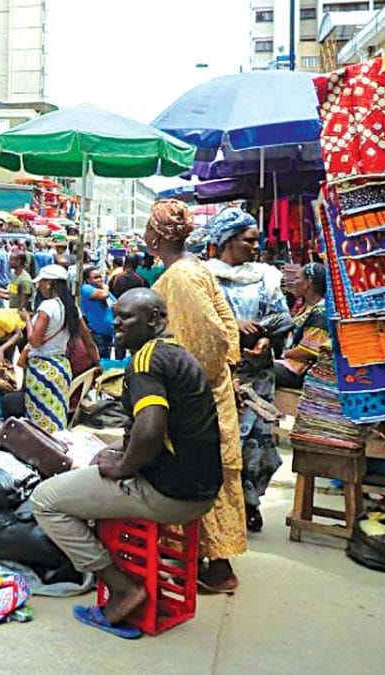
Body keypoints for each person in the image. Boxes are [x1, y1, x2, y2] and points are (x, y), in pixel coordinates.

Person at [32, 289, 221, 632]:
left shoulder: (145, 361)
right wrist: (120, 451)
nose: (117, 323)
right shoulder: (177, 354)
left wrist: (122, 467)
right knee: (92, 469)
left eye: (126, 317)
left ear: (155, 319)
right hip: (200, 491)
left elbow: (150, 430)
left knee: (45, 500)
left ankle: (122, 590)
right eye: (115, 315)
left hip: (169, 493)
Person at [146, 199, 246, 593]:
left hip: (198, 398)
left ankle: (217, 567)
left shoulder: (183, 277)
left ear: (155, 236)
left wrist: (184, 382)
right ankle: (200, 559)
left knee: (203, 475)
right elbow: (228, 329)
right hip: (208, 391)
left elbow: (212, 336)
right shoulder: (192, 269)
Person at [205, 208, 292, 534]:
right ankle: (221, 508)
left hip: (258, 375)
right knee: (226, 442)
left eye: (256, 240)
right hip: (221, 375)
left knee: (258, 445)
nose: (255, 246)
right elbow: (197, 318)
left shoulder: (266, 276)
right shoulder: (205, 276)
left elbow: (283, 317)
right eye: (248, 240)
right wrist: (232, 324)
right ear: (228, 240)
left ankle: (249, 504)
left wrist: (266, 336)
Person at [24, 264, 81, 433]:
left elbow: (34, 341)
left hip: (42, 369)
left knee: (39, 422)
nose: (40, 287)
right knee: (57, 416)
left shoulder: (47, 307)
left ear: (48, 283)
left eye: (41, 283)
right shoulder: (72, 308)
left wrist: (27, 319)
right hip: (61, 367)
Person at [275, 263, 329, 388]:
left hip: (300, 370)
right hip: (289, 363)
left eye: (298, 278)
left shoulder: (321, 311)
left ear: (309, 282)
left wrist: (283, 354)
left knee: (258, 370)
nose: (294, 283)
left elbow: (309, 350)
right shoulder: (304, 307)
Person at [80, 267, 113, 358]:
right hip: (96, 333)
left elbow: (115, 303)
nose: (100, 279)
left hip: (107, 333)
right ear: (87, 280)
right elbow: (103, 296)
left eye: (100, 277)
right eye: (95, 277)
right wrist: (105, 288)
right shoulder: (86, 288)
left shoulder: (102, 290)